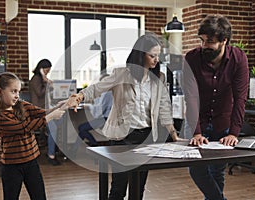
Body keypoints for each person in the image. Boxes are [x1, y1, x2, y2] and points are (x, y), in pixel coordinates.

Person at [68, 33, 180, 200]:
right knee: (119, 187)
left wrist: (173, 133)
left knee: (139, 187)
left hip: (146, 138)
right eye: (152, 55)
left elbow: (164, 107)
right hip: (123, 137)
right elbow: (97, 88)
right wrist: (79, 96)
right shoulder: (121, 74)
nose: (156, 59)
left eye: (158, 55)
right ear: (140, 54)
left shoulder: (159, 78)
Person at [184, 14, 249, 200]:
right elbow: (191, 98)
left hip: (223, 122)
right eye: (202, 40)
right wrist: (196, 132)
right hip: (198, 121)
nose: (204, 45)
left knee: (217, 171)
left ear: (224, 41)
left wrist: (234, 133)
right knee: (197, 170)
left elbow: (240, 98)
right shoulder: (192, 58)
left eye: (210, 41)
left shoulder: (238, 59)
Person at [0, 72, 65, 200]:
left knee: (39, 197)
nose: (17, 95)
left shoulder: (21, 105)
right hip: (12, 167)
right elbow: (24, 128)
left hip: (31, 162)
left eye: (18, 91)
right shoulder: (0, 116)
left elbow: (42, 112)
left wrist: (62, 105)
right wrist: (51, 117)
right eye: (13, 91)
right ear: (0, 92)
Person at [29, 59, 61, 165]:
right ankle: (51, 155)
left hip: (45, 110)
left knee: (58, 125)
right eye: (46, 70)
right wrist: (46, 81)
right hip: (38, 112)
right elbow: (39, 93)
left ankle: (53, 150)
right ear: (41, 69)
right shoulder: (35, 79)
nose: (48, 72)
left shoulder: (41, 79)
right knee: (54, 129)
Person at [76, 74, 113, 147]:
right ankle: (73, 151)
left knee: (81, 128)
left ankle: (95, 145)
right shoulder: (108, 92)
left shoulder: (108, 93)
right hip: (106, 118)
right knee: (81, 130)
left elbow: (100, 110)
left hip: (106, 119)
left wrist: (89, 106)